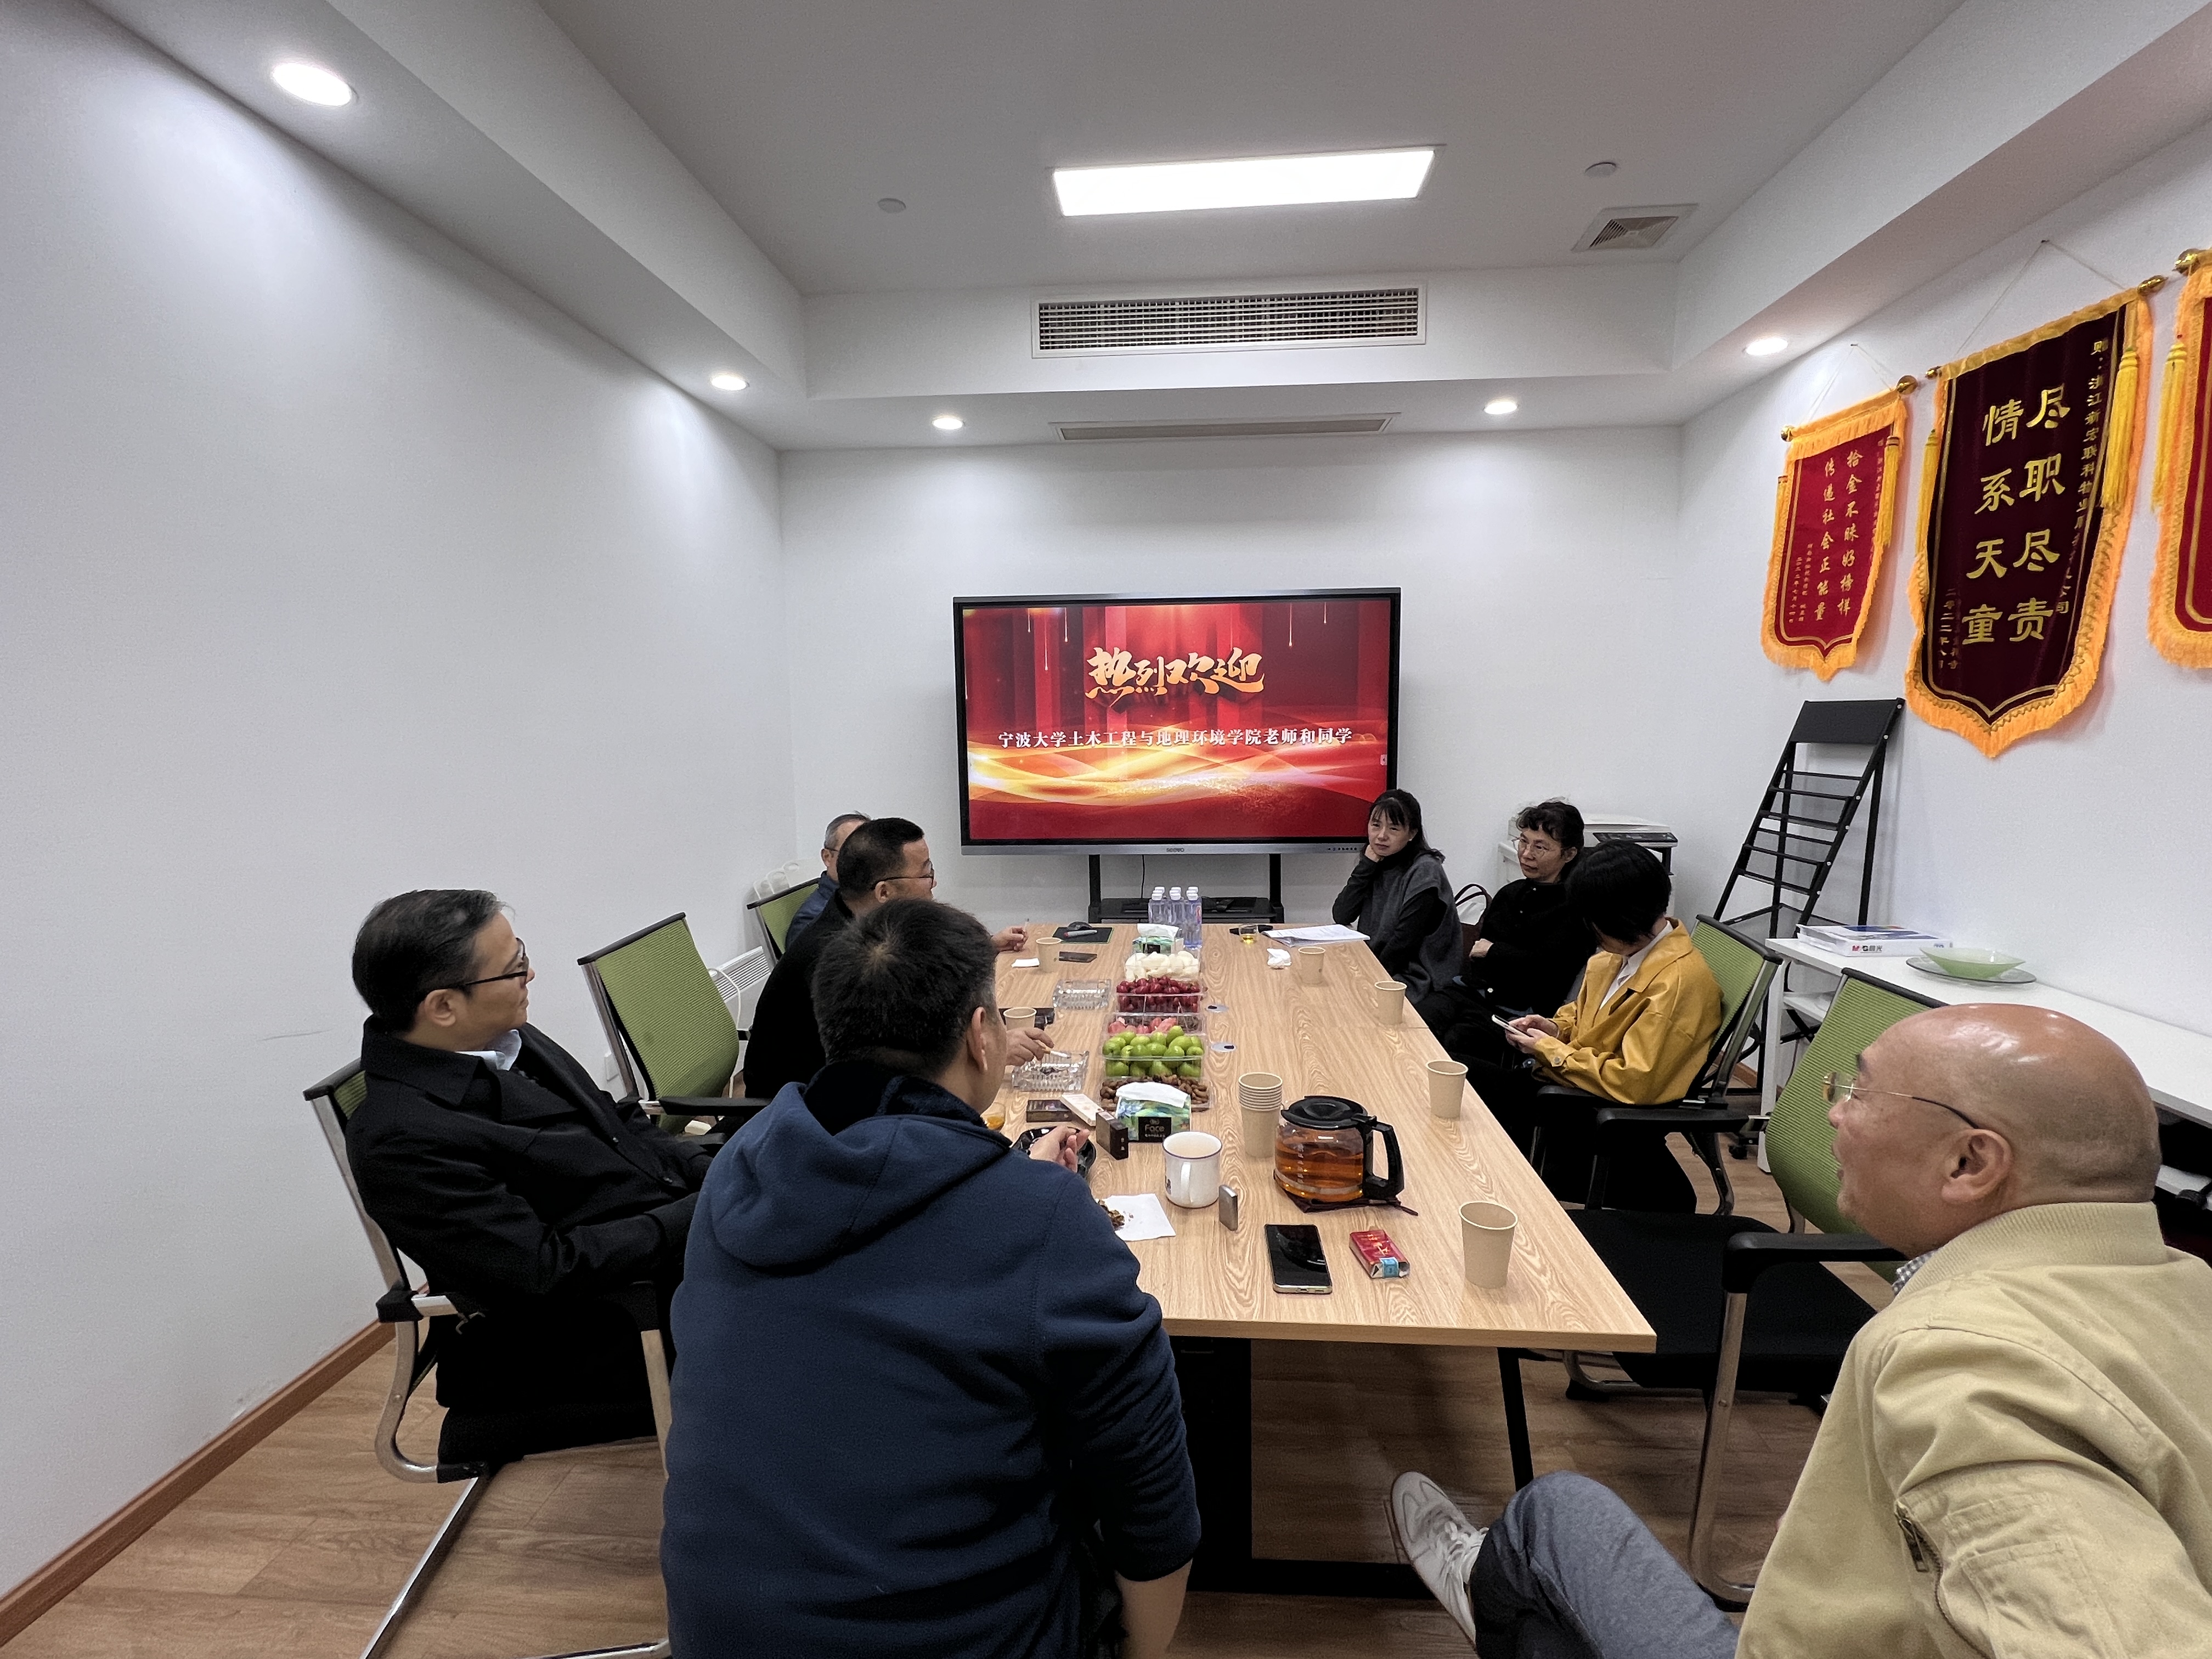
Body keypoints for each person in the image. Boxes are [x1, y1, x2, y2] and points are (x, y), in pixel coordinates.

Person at [1389, 1003, 2212, 1659]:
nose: (1836, 1116)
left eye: (1860, 1094)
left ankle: (1488, 1584)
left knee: (1551, 1517)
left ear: (1970, 1163)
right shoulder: (2188, 1290)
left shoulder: (1963, 1363)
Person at [663, 899, 1200, 1659]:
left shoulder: (738, 1174)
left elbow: (887, 1219)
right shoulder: (1042, 1217)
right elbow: (1151, 1497)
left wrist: (1009, 1179)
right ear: (982, 1035)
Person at [346, 890, 712, 1458]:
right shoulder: (401, 1139)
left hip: (660, 1251)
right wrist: (702, 1212)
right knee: (829, 1318)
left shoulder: (505, 1040)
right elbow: (547, 1272)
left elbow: (617, 1121)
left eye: (522, 955)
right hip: (591, 1330)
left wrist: (709, 1171)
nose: (529, 974)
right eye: (514, 967)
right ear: (443, 1007)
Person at [1478, 841, 1722, 1210]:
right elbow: (1582, 1016)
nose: (1589, 929)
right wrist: (1555, 1029)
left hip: (1593, 1119)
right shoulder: (1617, 957)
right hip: (1570, 1093)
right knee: (1458, 1072)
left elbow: (1634, 1081)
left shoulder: (1676, 985)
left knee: (1467, 1102)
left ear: (1619, 918)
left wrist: (1550, 1050)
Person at [740, 816, 1042, 1102]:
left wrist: (986, 950)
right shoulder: (839, 957)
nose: (934, 883)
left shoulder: (866, 927)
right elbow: (894, 1059)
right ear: (884, 893)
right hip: (807, 1110)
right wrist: (986, 1051)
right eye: (926, 874)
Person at [1436, 799, 1596, 1067]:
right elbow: (1480, 957)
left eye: (1540, 847)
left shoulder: (1575, 909)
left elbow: (1546, 971)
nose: (1526, 854)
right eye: (1523, 842)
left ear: (1569, 854)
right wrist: (1506, 957)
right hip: (1472, 992)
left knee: (1454, 1045)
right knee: (1416, 1019)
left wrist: (1495, 951)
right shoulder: (1510, 894)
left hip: (1516, 1012)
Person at [1331, 788, 1464, 1026]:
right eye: (1376, 825)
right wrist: (1366, 866)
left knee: (1345, 1010)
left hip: (1417, 978)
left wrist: (1366, 979)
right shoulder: (1378, 861)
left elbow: (1404, 943)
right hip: (1382, 966)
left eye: (1393, 829)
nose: (1381, 836)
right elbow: (1342, 914)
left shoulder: (1425, 870)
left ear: (1412, 833)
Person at [785, 810, 867, 946]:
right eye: (851, 852)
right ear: (827, 857)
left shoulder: (873, 898)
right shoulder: (812, 920)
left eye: (869, 853)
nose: (863, 861)